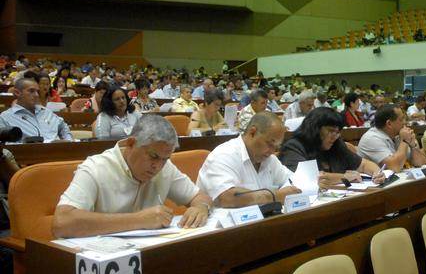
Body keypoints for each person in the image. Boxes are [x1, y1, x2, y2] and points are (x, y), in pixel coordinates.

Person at [52, 115, 213, 238]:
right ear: (131, 143)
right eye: (153, 156)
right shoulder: (95, 168)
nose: (158, 166)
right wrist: (139, 220)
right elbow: (62, 222)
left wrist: (200, 208)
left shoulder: (165, 167)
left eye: (165, 159)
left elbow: (199, 196)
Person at [197, 112, 301, 207]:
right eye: (270, 143)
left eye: (277, 147)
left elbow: (292, 181)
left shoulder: (270, 159)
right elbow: (228, 197)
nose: (272, 151)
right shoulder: (224, 155)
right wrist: (274, 196)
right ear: (252, 132)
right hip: (225, 225)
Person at [279, 107, 384, 188]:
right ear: (315, 129)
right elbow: (307, 180)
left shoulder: (336, 144)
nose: (335, 136)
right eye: (331, 131)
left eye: (337, 132)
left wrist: (377, 173)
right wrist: (344, 177)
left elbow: (364, 164)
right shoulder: (293, 147)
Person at [358, 105, 426, 171]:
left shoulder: (397, 135)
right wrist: (404, 141)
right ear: (389, 124)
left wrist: (412, 145)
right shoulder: (371, 138)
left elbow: (418, 163)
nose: (405, 122)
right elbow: (394, 167)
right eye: (401, 119)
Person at [0, 78, 72, 142]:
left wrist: (68, 141)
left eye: (37, 91)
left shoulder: (46, 112)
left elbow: (63, 126)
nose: (36, 95)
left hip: (59, 153)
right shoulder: (5, 117)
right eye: (31, 91)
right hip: (29, 154)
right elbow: (5, 147)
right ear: (17, 93)